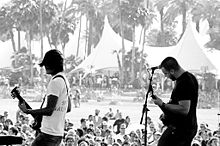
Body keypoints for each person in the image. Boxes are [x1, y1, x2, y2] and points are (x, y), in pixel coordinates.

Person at [17, 49, 71, 146]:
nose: (45, 67)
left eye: (46, 64)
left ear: (52, 64)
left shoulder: (55, 82)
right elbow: (68, 108)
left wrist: (28, 111)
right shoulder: (64, 80)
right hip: (58, 134)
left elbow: (49, 110)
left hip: (48, 134)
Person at [151, 57, 198, 146]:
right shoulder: (189, 77)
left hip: (182, 129)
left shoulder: (184, 82)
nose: (166, 76)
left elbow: (184, 109)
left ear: (172, 71)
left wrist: (163, 104)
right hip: (185, 126)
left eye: (166, 73)